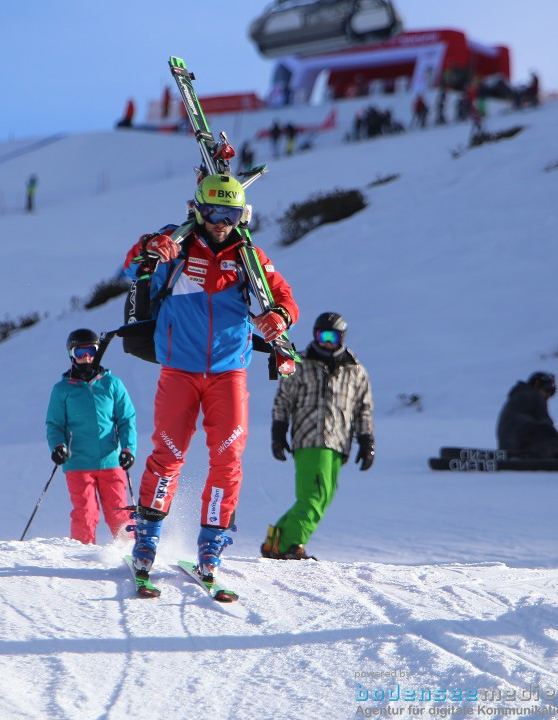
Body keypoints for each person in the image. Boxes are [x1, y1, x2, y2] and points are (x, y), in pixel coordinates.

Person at [123, 173, 299, 581]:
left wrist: (278, 316)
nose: (221, 222)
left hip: (228, 374)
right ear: (198, 209)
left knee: (227, 461)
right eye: (213, 212)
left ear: (243, 216)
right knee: (168, 455)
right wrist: (151, 245)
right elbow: (132, 263)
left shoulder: (249, 258)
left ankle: (211, 544)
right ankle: (147, 539)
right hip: (179, 370)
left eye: (231, 214)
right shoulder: (177, 241)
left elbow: (285, 298)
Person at [261, 312, 374, 561]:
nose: (326, 342)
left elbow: (363, 408)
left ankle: (275, 541)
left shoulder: (356, 370)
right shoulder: (300, 363)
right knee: (313, 497)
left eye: (331, 337)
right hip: (310, 437)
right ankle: (290, 545)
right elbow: (283, 400)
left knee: (321, 497)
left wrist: (366, 441)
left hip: (339, 443)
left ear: (341, 337)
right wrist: (278, 432)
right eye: (321, 336)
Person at [46, 329, 137, 544]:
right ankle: (83, 554)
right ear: (72, 355)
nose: (86, 357)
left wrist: (128, 450)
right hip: (78, 462)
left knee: (118, 511)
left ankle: (129, 549)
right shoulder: (62, 390)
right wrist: (58, 446)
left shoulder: (112, 384)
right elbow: (55, 424)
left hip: (111, 459)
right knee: (85, 513)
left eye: (91, 351)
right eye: (80, 352)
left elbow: (126, 419)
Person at [495, 372, 558, 457]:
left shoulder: (518, 395)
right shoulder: (535, 395)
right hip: (524, 439)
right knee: (557, 437)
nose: (548, 396)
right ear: (536, 385)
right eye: (547, 390)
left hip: (508, 443)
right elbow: (545, 422)